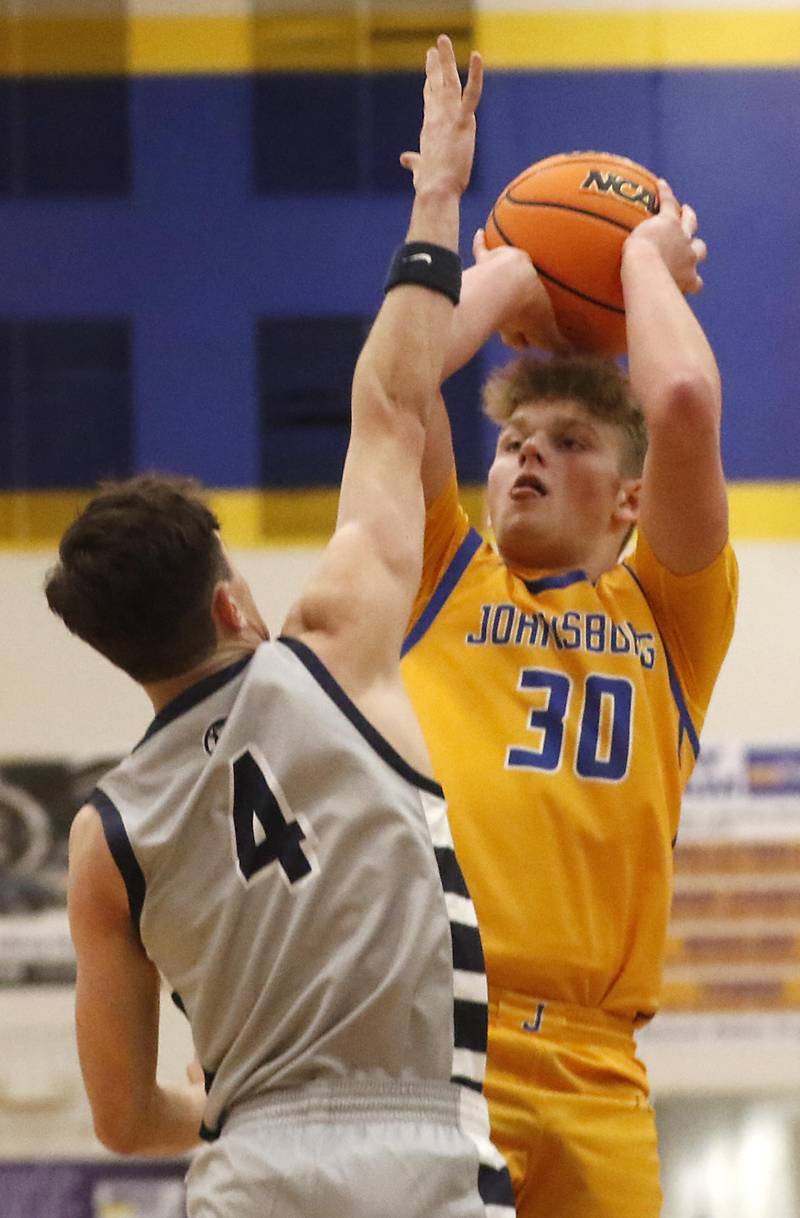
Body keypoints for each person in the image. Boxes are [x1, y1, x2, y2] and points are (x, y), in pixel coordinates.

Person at [46, 36, 517, 1218]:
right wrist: (435, 201)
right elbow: (393, 404)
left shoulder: (105, 840)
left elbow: (117, 1114)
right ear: (228, 603)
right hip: (422, 1153)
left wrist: (222, 1111)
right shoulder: (330, 645)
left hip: (249, 1167)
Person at [400, 179, 739, 1215]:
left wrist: (638, 259)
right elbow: (399, 378)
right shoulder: (438, 571)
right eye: (510, 442)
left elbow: (678, 404)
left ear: (629, 497)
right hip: (436, 1044)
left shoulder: (667, 612)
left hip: (597, 1069)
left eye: (567, 442)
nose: (524, 455)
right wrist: (507, 275)